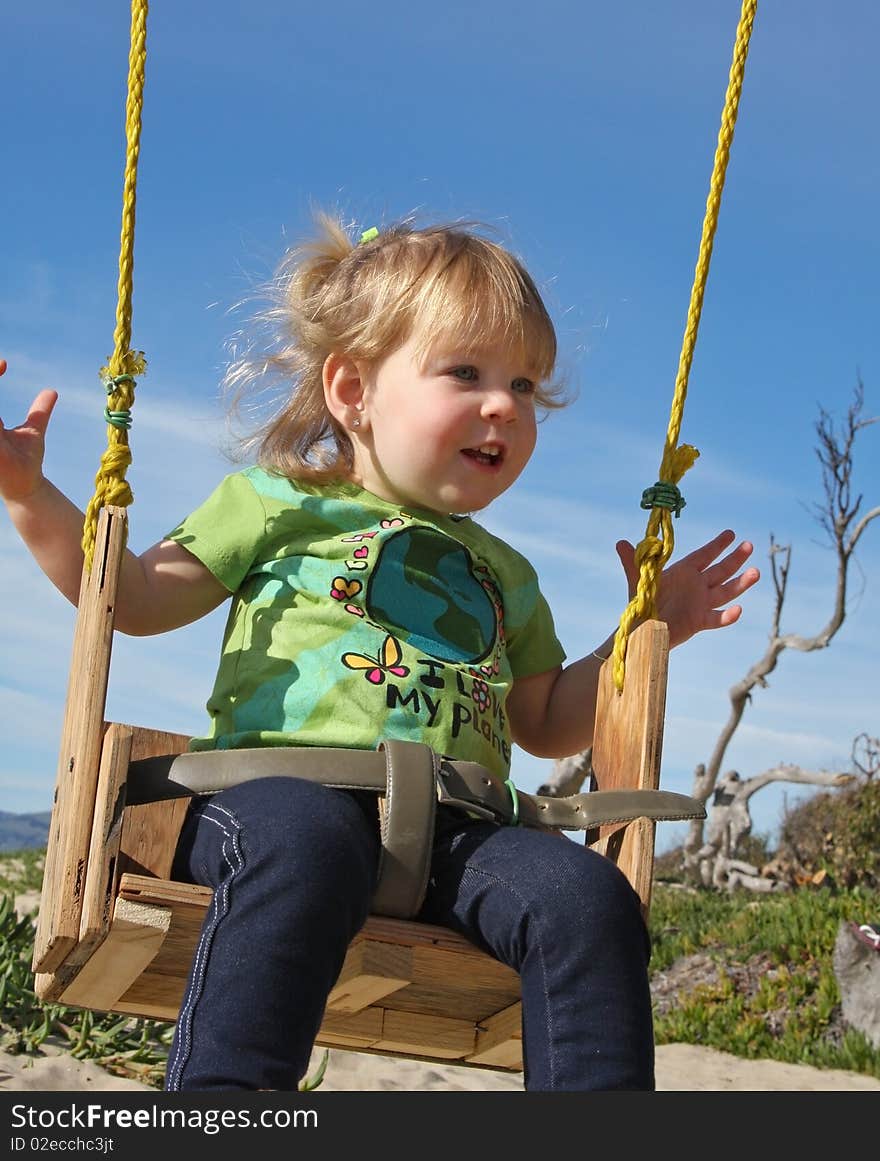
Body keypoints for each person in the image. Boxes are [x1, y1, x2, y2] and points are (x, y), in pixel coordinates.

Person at [0, 214, 759, 1091]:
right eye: (465, 372)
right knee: (310, 841)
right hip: (270, 804)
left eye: (524, 383)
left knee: (583, 898)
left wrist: (640, 630)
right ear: (352, 389)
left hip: (458, 830)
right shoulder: (274, 503)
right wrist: (30, 497)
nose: (503, 403)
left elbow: (547, 721)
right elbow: (130, 596)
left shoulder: (507, 573)